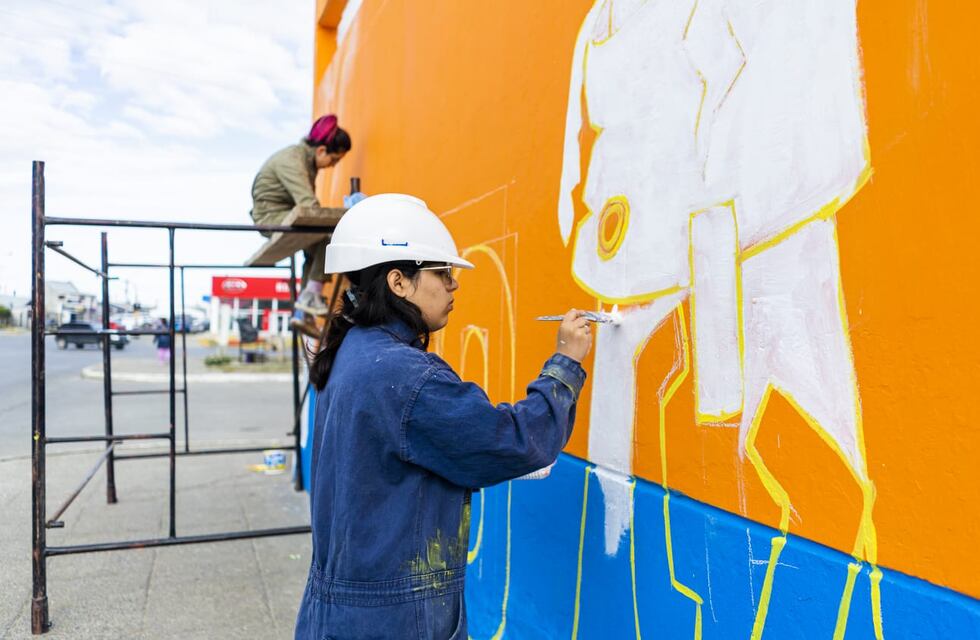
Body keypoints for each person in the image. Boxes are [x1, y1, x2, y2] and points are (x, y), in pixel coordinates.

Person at [294, 194, 593, 639]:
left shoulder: (352, 350)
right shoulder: (405, 375)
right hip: (393, 620)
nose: (453, 286)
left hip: (341, 611)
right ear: (399, 281)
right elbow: (511, 441)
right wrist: (565, 363)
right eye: (442, 273)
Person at [250, 114, 354, 333]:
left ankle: (302, 312)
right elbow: (309, 205)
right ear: (321, 151)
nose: (332, 166)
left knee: (317, 245)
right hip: (271, 217)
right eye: (334, 160)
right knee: (328, 237)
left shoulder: (304, 160)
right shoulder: (293, 161)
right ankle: (310, 298)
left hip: (280, 214)